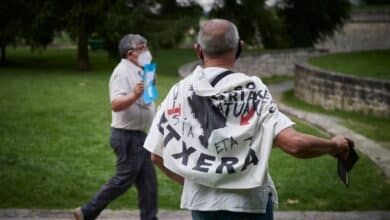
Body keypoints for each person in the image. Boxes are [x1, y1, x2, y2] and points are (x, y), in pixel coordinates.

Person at [143, 19, 354, 220]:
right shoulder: (253, 90)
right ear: (240, 47)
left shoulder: (177, 92)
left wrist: (198, 181)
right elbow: (294, 145)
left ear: (198, 50)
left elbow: (156, 156)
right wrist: (335, 145)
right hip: (248, 204)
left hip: (200, 203)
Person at [74, 34, 158, 220]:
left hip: (140, 136)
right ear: (130, 53)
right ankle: (87, 212)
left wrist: (150, 86)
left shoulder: (141, 70)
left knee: (148, 183)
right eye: (142, 48)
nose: (147, 51)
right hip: (126, 136)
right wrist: (135, 95)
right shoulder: (122, 72)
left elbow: (148, 100)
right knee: (123, 180)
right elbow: (116, 103)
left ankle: (150, 218)